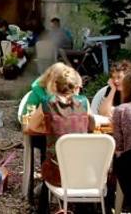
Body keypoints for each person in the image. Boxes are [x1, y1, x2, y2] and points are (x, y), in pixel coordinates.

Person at [38, 65, 92, 209]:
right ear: (76, 87)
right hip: (85, 175)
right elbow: (91, 125)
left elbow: (30, 126)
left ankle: (45, 205)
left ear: (55, 86)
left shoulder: (47, 102)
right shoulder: (84, 102)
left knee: (47, 156)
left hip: (57, 175)